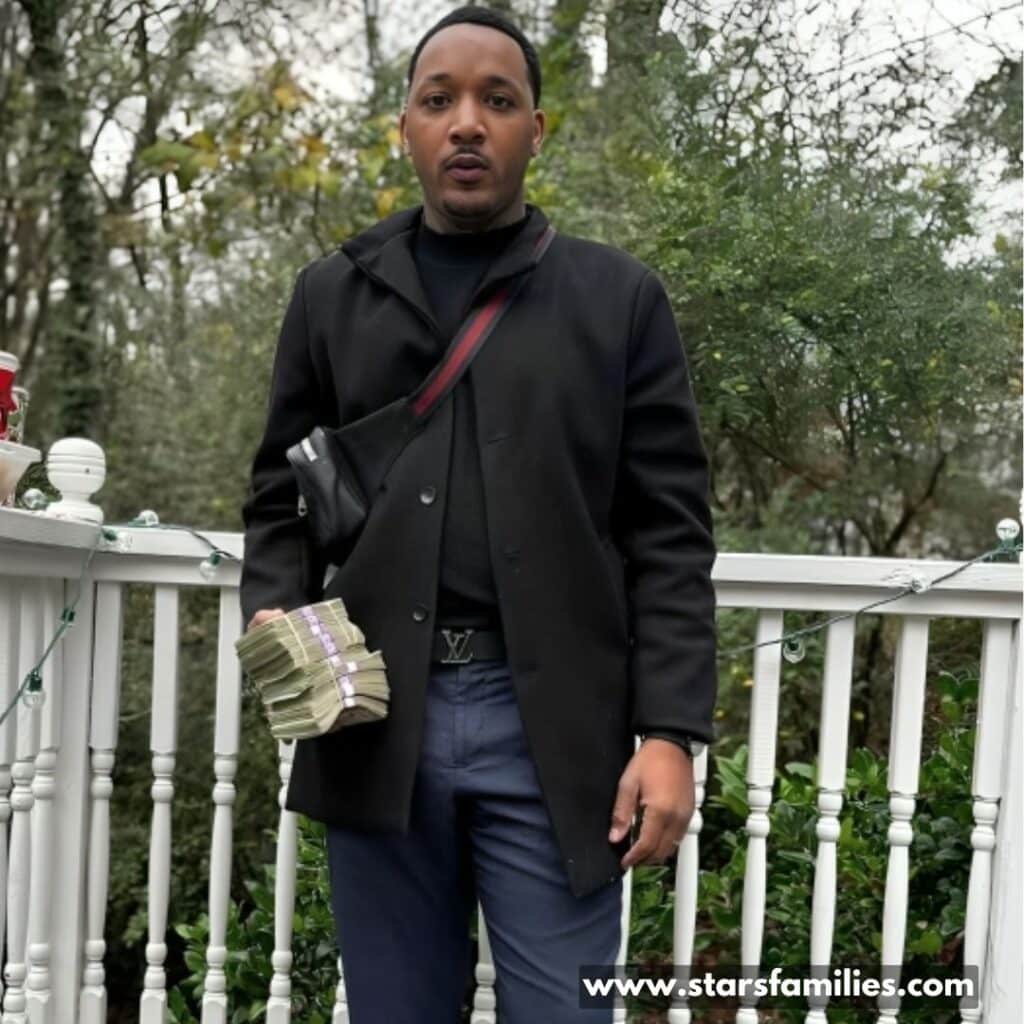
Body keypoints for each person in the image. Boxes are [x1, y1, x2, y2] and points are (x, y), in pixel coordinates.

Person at [239, 6, 717, 1022]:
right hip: (374, 714)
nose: (467, 122)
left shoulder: (618, 300)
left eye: (496, 101)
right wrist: (273, 608)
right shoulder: (333, 294)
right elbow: (280, 492)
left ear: (535, 130)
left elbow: (669, 533)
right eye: (438, 99)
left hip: (553, 725)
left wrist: (670, 730)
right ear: (403, 127)